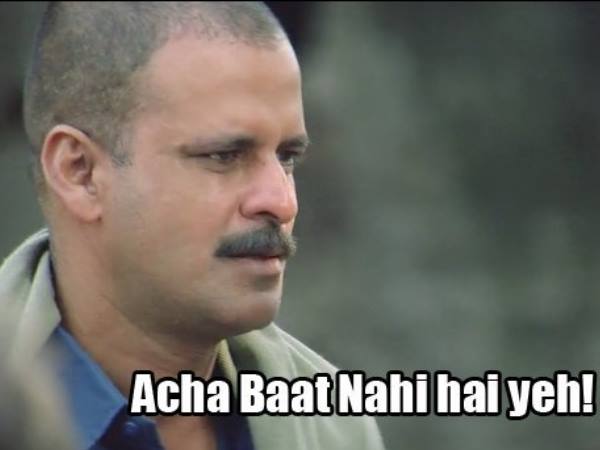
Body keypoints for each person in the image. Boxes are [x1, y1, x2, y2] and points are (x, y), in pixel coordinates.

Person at [0, 2, 385, 450]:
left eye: (287, 157)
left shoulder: (331, 427)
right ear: (80, 172)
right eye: (224, 156)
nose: (282, 203)